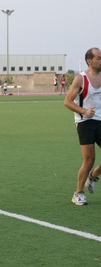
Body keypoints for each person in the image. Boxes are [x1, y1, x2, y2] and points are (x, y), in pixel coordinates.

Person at [64, 47, 101, 206]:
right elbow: (67, 102)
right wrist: (84, 111)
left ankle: (92, 176)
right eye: (98, 58)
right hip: (85, 123)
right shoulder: (81, 79)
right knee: (89, 159)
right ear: (89, 61)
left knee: (91, 163)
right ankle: (78, 193)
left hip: (100, 121)